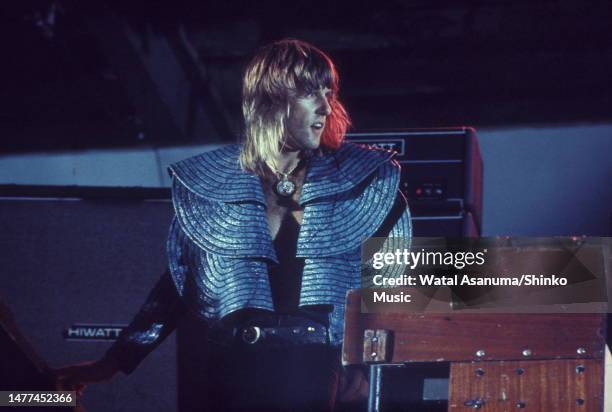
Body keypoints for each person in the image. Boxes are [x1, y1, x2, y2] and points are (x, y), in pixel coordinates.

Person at [55, 38, 412, 411]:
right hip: (233, 369)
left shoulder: (361, 181)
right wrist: (111, 363)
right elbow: (176, 288)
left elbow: (395, 280)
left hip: (317, 369)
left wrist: (366, 363)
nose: (325, 105)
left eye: (329, 91)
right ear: (270, 98)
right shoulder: (213, 185)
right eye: (310, 92)